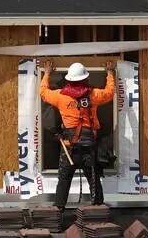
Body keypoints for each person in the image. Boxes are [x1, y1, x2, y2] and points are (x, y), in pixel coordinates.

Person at [40, 60, 115, 210]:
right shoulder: (93, 94)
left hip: (69, 148)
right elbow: (110, 92)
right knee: (93, 180)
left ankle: (58, 211)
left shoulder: (61, 96)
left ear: (69, 80)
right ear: (85, 79)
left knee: (64, 180)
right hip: (89, 146)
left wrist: (47, 73)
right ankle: (98, 210)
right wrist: (110, 72)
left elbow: (43, 93)